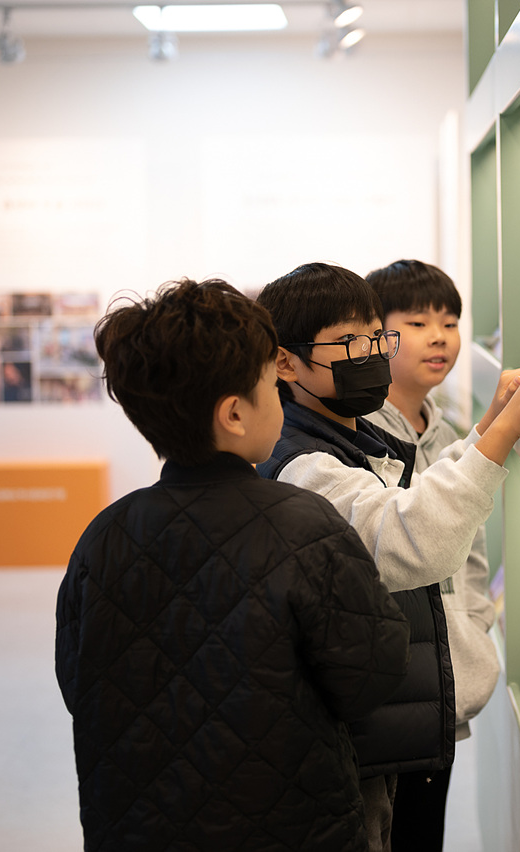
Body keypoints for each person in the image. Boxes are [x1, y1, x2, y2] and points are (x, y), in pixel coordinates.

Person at [55, 278, 411, 852]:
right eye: (271, 385)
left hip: (137, 824)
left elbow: (79, 681)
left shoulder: (102, 538)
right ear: (235, 414)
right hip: (292, 823)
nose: (280, 398)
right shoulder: (306, 526)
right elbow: (371, 674)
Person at [254, 262, 520, 852]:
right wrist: (501, 434)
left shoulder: (358, 437)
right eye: (349, 343)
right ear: (285, 362)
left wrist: (471, 627)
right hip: (367, 727)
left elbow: (440, 527)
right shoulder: (302, 463)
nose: (370, 354)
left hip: (407, 710)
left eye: (376, 338)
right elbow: (409, 537)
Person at [363, 259, 498, 852]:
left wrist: (474, 624)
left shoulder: (450, 433)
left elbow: (473, 553)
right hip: (386, 685)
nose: (439, 337)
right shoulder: (359, 433)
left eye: (450, 322)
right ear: (377, 335)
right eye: (417, 323)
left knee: (423, 832)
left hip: (445, 681)